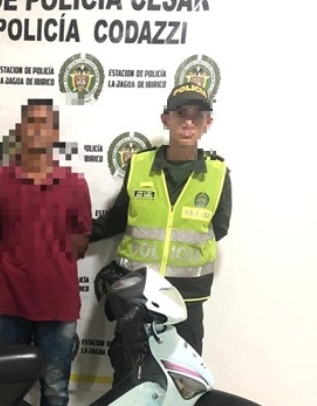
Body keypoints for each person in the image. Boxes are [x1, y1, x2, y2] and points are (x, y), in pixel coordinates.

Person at [91, 82, 232, 369]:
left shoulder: (218, 174)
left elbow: (219, 228)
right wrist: (73, 232)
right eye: (181, 114)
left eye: (197, 115)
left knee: (183, 378)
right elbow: (117, 220)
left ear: (208, 123)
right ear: (166, 119)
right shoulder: (139, 165)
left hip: (188, 298)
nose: (188, 122)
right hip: (138, 295)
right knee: (129, 374)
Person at [0, 99, 92, 406]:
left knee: (55, 389)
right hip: (8, 305)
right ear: (20, 130)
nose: (38, 130)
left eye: (45, 123)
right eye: (32, 122)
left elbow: (81, 241)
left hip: (58, 306)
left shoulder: (75, 184)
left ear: (56, 133)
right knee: (5, 391)